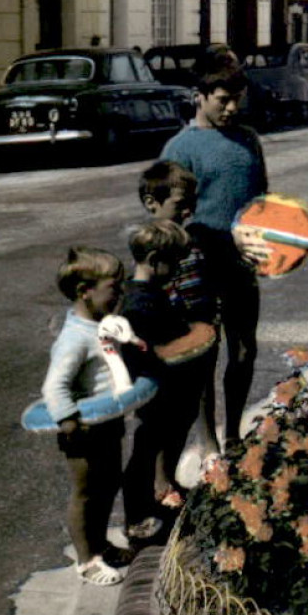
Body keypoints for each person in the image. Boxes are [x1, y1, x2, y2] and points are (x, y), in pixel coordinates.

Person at [161, 50, 269, 453]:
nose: (231, 108)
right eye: (223, 99)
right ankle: (208, 442)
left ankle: (234, 432)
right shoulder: (180, 148)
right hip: (199, 267)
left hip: (242, 265)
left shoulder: (248, 140)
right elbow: (167, 217)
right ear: (199, 96)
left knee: (244, 350)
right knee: (205, 353)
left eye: (237, 99)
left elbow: (262, 200)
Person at [41, 246, 130, 585]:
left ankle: (101, 545)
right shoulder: (74, 339)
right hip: (82, 429)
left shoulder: (99, 326)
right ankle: (87, 559)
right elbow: (55, 386)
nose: (120, 294)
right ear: (84, 292)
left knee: (108, 485)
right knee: (86, 492)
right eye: (114, 288)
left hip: (108, 422)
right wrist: (68, 422)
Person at [116, 219, 204, 542]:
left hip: (160, 385)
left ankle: (151, 502)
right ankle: (137, 518)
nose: (178, 269)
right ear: (154, 261)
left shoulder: (145, 292)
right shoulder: (140, 303)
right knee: (145, 451)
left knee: (154, 445)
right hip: (154, 388)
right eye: (175, 263)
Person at [138, 160, 219, 476]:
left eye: (192, 205)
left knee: (203, 388)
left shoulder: (195, 237)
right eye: (180, 205)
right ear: (151, 203)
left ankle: (209, 445)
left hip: (202, 326)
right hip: (168, 335)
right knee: (165, 405)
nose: (189, 212)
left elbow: (208, 278)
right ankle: (161, 478)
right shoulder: (149, 245)